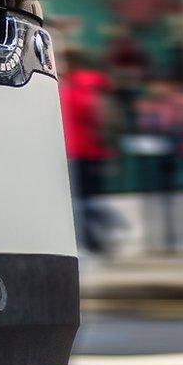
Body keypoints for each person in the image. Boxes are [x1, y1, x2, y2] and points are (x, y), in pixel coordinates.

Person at [134, 74, 183, 254]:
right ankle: (159, 243)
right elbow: (144, 129)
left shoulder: (181, 104)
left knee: (181, 202)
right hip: (155, 162)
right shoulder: (148, 106)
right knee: (157, 203)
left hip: (178, 159)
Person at [58, 47, 115, 256]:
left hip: (81, 150)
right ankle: (95, 240)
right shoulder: (80, 86)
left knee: (85, 200)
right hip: (86, 151)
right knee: (89, 199)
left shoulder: (80, 85)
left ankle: (103, 235)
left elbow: (97, 115)